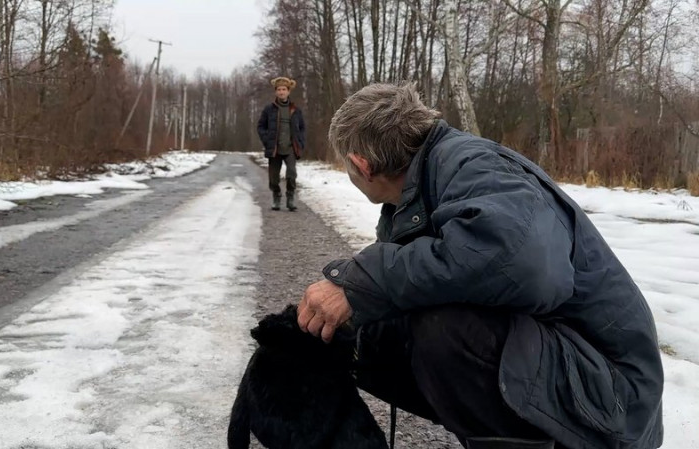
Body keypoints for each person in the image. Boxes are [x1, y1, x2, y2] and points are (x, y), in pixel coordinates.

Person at [296, 83, 664, 449]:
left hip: (614, 398)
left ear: (362, 164)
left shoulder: (473, 165)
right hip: (577, 375)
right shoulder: (418, 186)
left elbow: (524, 264)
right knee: (363, 335)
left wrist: (364, 281)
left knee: (444, 328)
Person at [257, 76, 306, 211]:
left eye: (284, 89)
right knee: (273, 178)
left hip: (290, 148)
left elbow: (302, 128)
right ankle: (276, 196)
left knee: (291, 174)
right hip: (274, 148)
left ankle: (290, 198)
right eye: (279, 89)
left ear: (288, 91)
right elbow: (260, 126)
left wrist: (300, 142)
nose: (281, 92)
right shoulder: (269, 109)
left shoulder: (295, 110)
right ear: (275, 92)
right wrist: (266, 140)